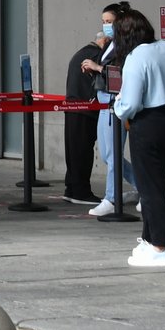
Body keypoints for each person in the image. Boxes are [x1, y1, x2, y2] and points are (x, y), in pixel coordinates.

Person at [111, 9, 165, 268]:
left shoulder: (135, 57)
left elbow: (130, 103)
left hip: (148, 124)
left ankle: (159, 247)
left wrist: (117, 107)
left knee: (151, 189)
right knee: (153, 185)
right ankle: (148, 239)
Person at [82, 1, 136, 217]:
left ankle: (111, 198)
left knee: (113, 154)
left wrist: (98, 68)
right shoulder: (109, 44)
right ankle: (144, 185)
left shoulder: (125, 47)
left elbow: (120, 74)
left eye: (109, 22)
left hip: (116, 104)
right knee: (107, 155)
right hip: (104, 101)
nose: (105, 26)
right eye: (103, 21)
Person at [62, 27, 106, 205]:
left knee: (74, 152)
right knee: (82, 152)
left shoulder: (82, 52)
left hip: (73, 108)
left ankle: (72, 188)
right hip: (84, 109)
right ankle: (80, 191)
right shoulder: (95, 56)